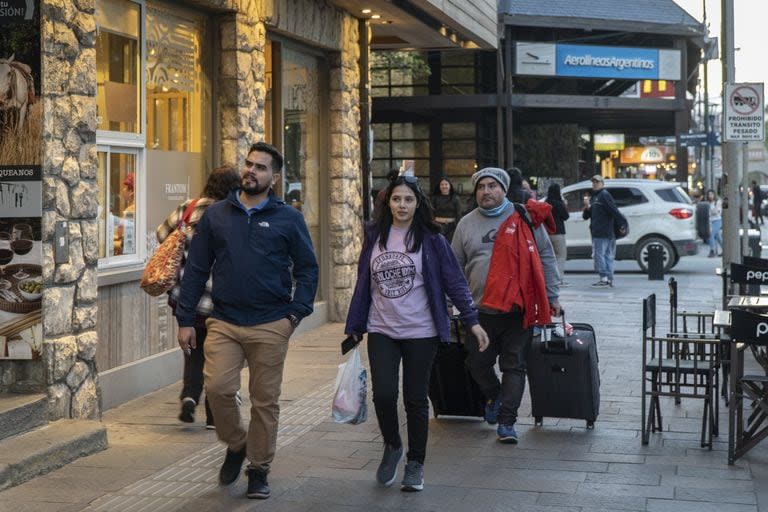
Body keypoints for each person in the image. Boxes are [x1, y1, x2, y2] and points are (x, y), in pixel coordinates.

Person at [176, 142, 319, 500]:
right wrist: (186, 318)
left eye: (260, 167)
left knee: (264, 400)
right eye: (249, 164)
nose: (251, 171)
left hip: (271, 322)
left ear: (274, 177)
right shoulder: (218, 214)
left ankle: (258, 469)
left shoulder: (289, 218)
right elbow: (196, 268)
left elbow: (307, 268)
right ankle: (237, 443)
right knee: (219, 389)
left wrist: (295, 313)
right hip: (223, 320)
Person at [345, 175, 489, 492]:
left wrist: (472, 321)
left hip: (421, 332)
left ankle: (415, 463)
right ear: (388, 203)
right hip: (381, 328)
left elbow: (455, 282)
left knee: (415, 398)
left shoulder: (432, 240)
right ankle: (393, 445)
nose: (402, 205)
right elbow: (362, 283)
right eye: (396, 199)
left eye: (408, 199)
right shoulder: (374, 235)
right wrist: (354, 325)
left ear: (418, 203)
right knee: (383, 394)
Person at [452, 167, 561, 444]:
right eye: (481, 187)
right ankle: (496, 395)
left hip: (518, 310)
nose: (486, 191)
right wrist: (447, 303)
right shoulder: (466, 224)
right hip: (479, 313)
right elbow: (454, 267)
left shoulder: (524, 217)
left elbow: (546, 256)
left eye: (492, 186)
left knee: (514, 365)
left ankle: (507, 422)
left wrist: (552, 295)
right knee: (477, 363)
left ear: (503, 189)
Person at [157, 164, 241, 429]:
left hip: (187, 297)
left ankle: (190, 396)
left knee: (192, 351)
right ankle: (214, 416)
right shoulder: (232, 213)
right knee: (218, 355)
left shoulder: (189, 208)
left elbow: (161, 234)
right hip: (219, 300)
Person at [582, 175, 622, 287]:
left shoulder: (603, 195)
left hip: (603, 231)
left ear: (602, 184)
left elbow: (614, 210)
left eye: (597, 182)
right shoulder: (595, 197)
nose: (594, 184)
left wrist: (622, 223)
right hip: (603, 231)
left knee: (600, 255)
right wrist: (587, 206)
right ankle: (608, 278)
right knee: (607, 255)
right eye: (593, 182)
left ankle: (604, 278)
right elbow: (586, 216)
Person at [545, 183, 569, 287]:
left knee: (550, 257)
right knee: (561, 256)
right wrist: (564, 204)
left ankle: (549, 279)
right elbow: (566, 216)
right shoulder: (559, 203)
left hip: (546, 233)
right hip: (558, 233)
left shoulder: (545, 203)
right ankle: (558, 280)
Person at [431, 177, 463, 241]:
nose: (444, 186)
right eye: (442, 184)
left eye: (446, 184)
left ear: (450, 186)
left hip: (452, 228)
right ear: (439, 186)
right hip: (438, 226)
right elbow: (431, 212)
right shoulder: (435, 198)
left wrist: (458, 227)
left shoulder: (455, 198)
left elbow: (458, 214)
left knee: (450, 246)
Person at [706, 189, 723, 257]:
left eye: (711, 194)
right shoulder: (708, 203)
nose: (710, 196)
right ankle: (725, 250)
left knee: (711, 234)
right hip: (710, 221)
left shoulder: (718, 201)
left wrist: (711, 211)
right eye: (709, 194)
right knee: (718, 237)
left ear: (714, 195)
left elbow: (716, 211)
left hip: (717, 220)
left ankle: (712, 250)